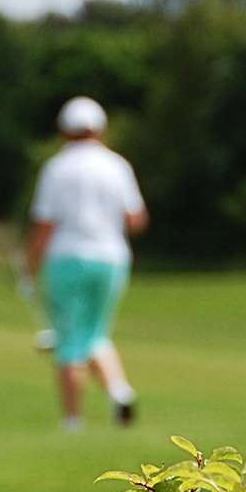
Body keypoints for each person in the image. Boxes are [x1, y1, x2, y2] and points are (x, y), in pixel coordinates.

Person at [25, 96, 147, 430]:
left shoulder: (57, 168)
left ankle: (73, 421)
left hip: (66, 259)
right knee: (95, 333)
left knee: (69, 340)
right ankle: (120, 391)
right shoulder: (117, 165)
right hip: (112, 260)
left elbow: (44, 224)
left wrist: (29, 267)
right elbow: (136, 219)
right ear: (101, 129)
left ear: (64, 131)